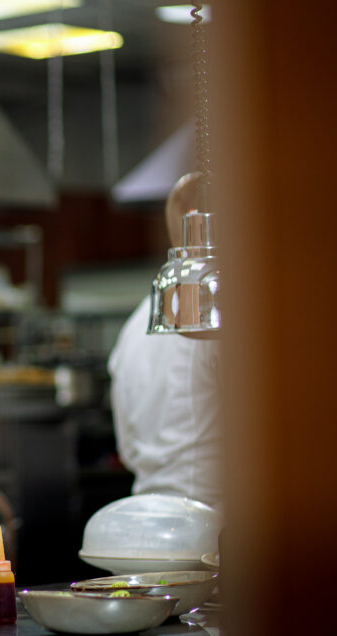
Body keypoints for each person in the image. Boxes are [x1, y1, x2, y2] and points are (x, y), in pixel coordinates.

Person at [106, 172, 222, 508]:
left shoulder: (136, 321)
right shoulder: (217, 317)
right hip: (217, 523)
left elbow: (127, 449)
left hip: (145, 517)